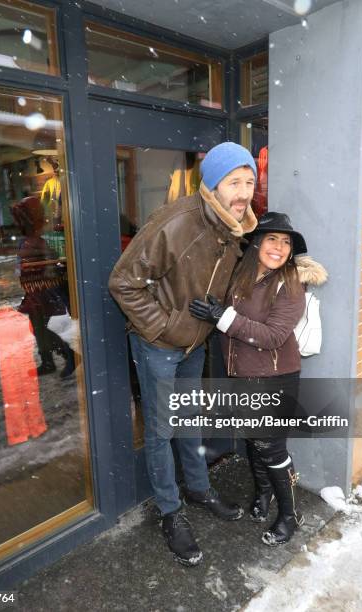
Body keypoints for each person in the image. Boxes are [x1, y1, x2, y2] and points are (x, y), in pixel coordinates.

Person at [109, 142, 258, 566]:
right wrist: (166, 327)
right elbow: (123, 282)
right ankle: (171, 512)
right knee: (161, 429)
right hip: (159, 343)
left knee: (190, 417)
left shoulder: (238, 227)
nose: (243, 190)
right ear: (212, 183)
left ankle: (198, 486)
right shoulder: (175, 222)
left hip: (196, 342)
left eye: (249, 181)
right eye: (235, 181)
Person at [189, 211, 327, 546]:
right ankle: (264, 494)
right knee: (254, 440)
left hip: (275, 377)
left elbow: (273, 336)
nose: (279, 247)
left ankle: (289, 516)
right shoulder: (241, 275)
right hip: (241, 375)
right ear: (256, 244)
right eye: (272, 239)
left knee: (272, 447)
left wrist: (223, 317)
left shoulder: (290, 281)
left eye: (286, 242)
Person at [11, 196, 75, 379]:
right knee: (39, 328)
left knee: (45, 328)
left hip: (43, 291)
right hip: (36, 291)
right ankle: (50, 360)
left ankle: (68, 354)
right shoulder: (30, 240)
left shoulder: (37, 241)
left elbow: (48, 264)